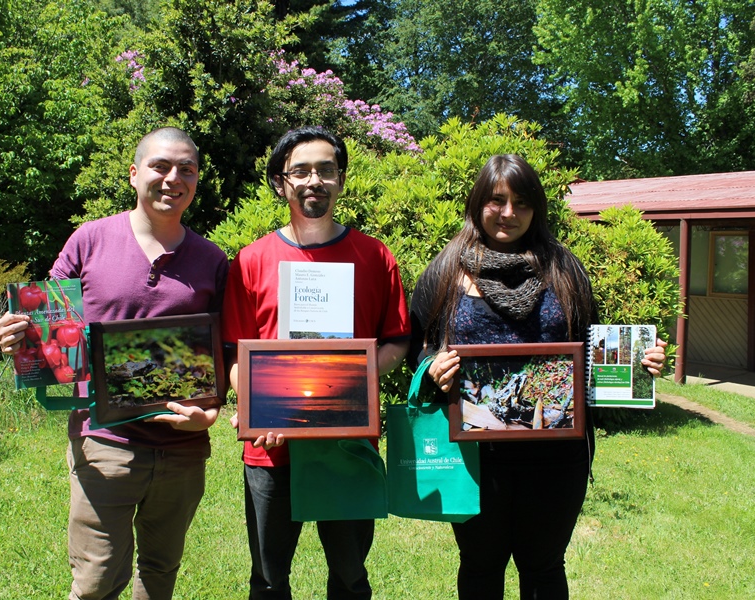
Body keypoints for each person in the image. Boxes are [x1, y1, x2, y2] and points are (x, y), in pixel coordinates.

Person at [408, 154, 666, 599]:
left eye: (522, 202)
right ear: (477, 203)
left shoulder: (565, 269)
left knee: (543, 567)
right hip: (475, 454)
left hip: (556, 457)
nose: (509, 213)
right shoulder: (446, 269)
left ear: (537, 208)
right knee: (480, 565)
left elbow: (592, 349)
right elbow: (417, 344)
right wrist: (432, 367)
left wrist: (637, 365)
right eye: (497, 200)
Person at [0, 127, 229, 600]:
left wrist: (213, 409)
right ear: (134, 173)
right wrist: (16, 333)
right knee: (97, 582)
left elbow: (222, 350)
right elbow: (47, 318)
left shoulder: (211, 259)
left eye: (187, 169)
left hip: (182, 446)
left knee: (159, 576)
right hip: (104, 440)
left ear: (197, 180)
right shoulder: (90, 239)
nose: (173, 178)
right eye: (161, 166)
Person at [221, 126, 410, 599]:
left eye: (326, 170)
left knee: (349, 577)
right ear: (282, 183)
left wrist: (345, 385)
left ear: (341, 180)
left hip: (346, 442)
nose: (314, 180)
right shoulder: (250, 260)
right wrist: (259, 403)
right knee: (268, 579)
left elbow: (396, 342)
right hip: (272, 443)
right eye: (301, 171)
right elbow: (233, 354)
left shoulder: (374, 256)